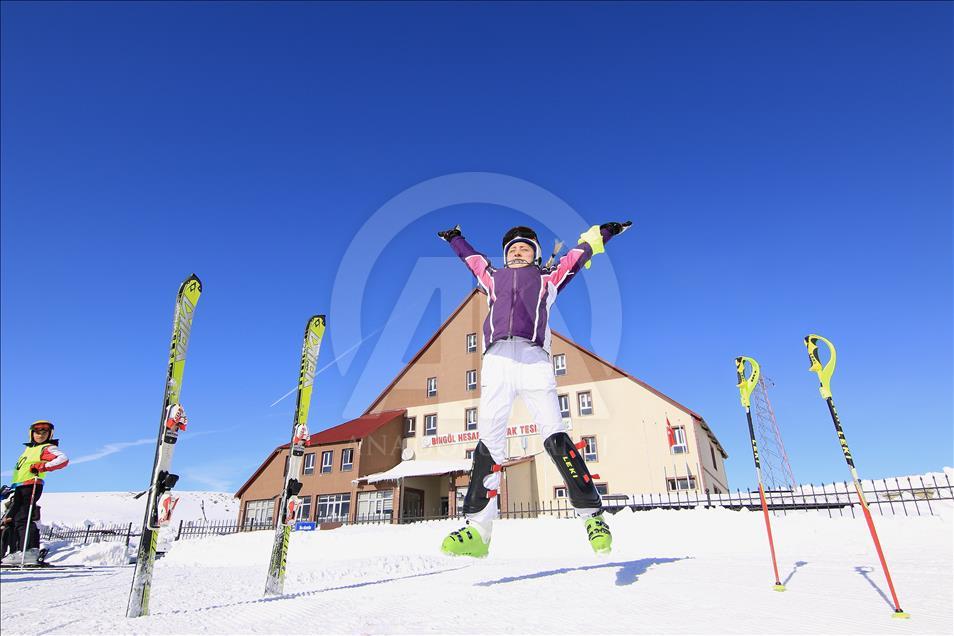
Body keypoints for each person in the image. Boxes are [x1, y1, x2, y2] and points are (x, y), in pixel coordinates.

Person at [437, 221, 631, 557]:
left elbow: (578, 255)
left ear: (536, 254)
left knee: (554, 434)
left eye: (524, 247)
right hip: (497, 361)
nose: (516, 251)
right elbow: (471, 258)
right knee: (488, 442)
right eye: (512, 248)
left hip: (533, 360)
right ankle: (478, 531)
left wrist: (603, 234)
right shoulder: (492, 277)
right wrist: (455, 237)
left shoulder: (547, 279)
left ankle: (592, 515)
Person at [1, 420, 69, 565]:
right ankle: (16, 552)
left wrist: (42, 467)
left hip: (32, 485)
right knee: (13, 519)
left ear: (50, 434)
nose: (40, 435)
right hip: (20, 487)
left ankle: (29, 551)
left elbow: (63, 460)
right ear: (31, 434)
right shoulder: (29, 449)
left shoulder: (46, 448)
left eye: (44, 432)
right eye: (37, 432)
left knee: (23, 518)